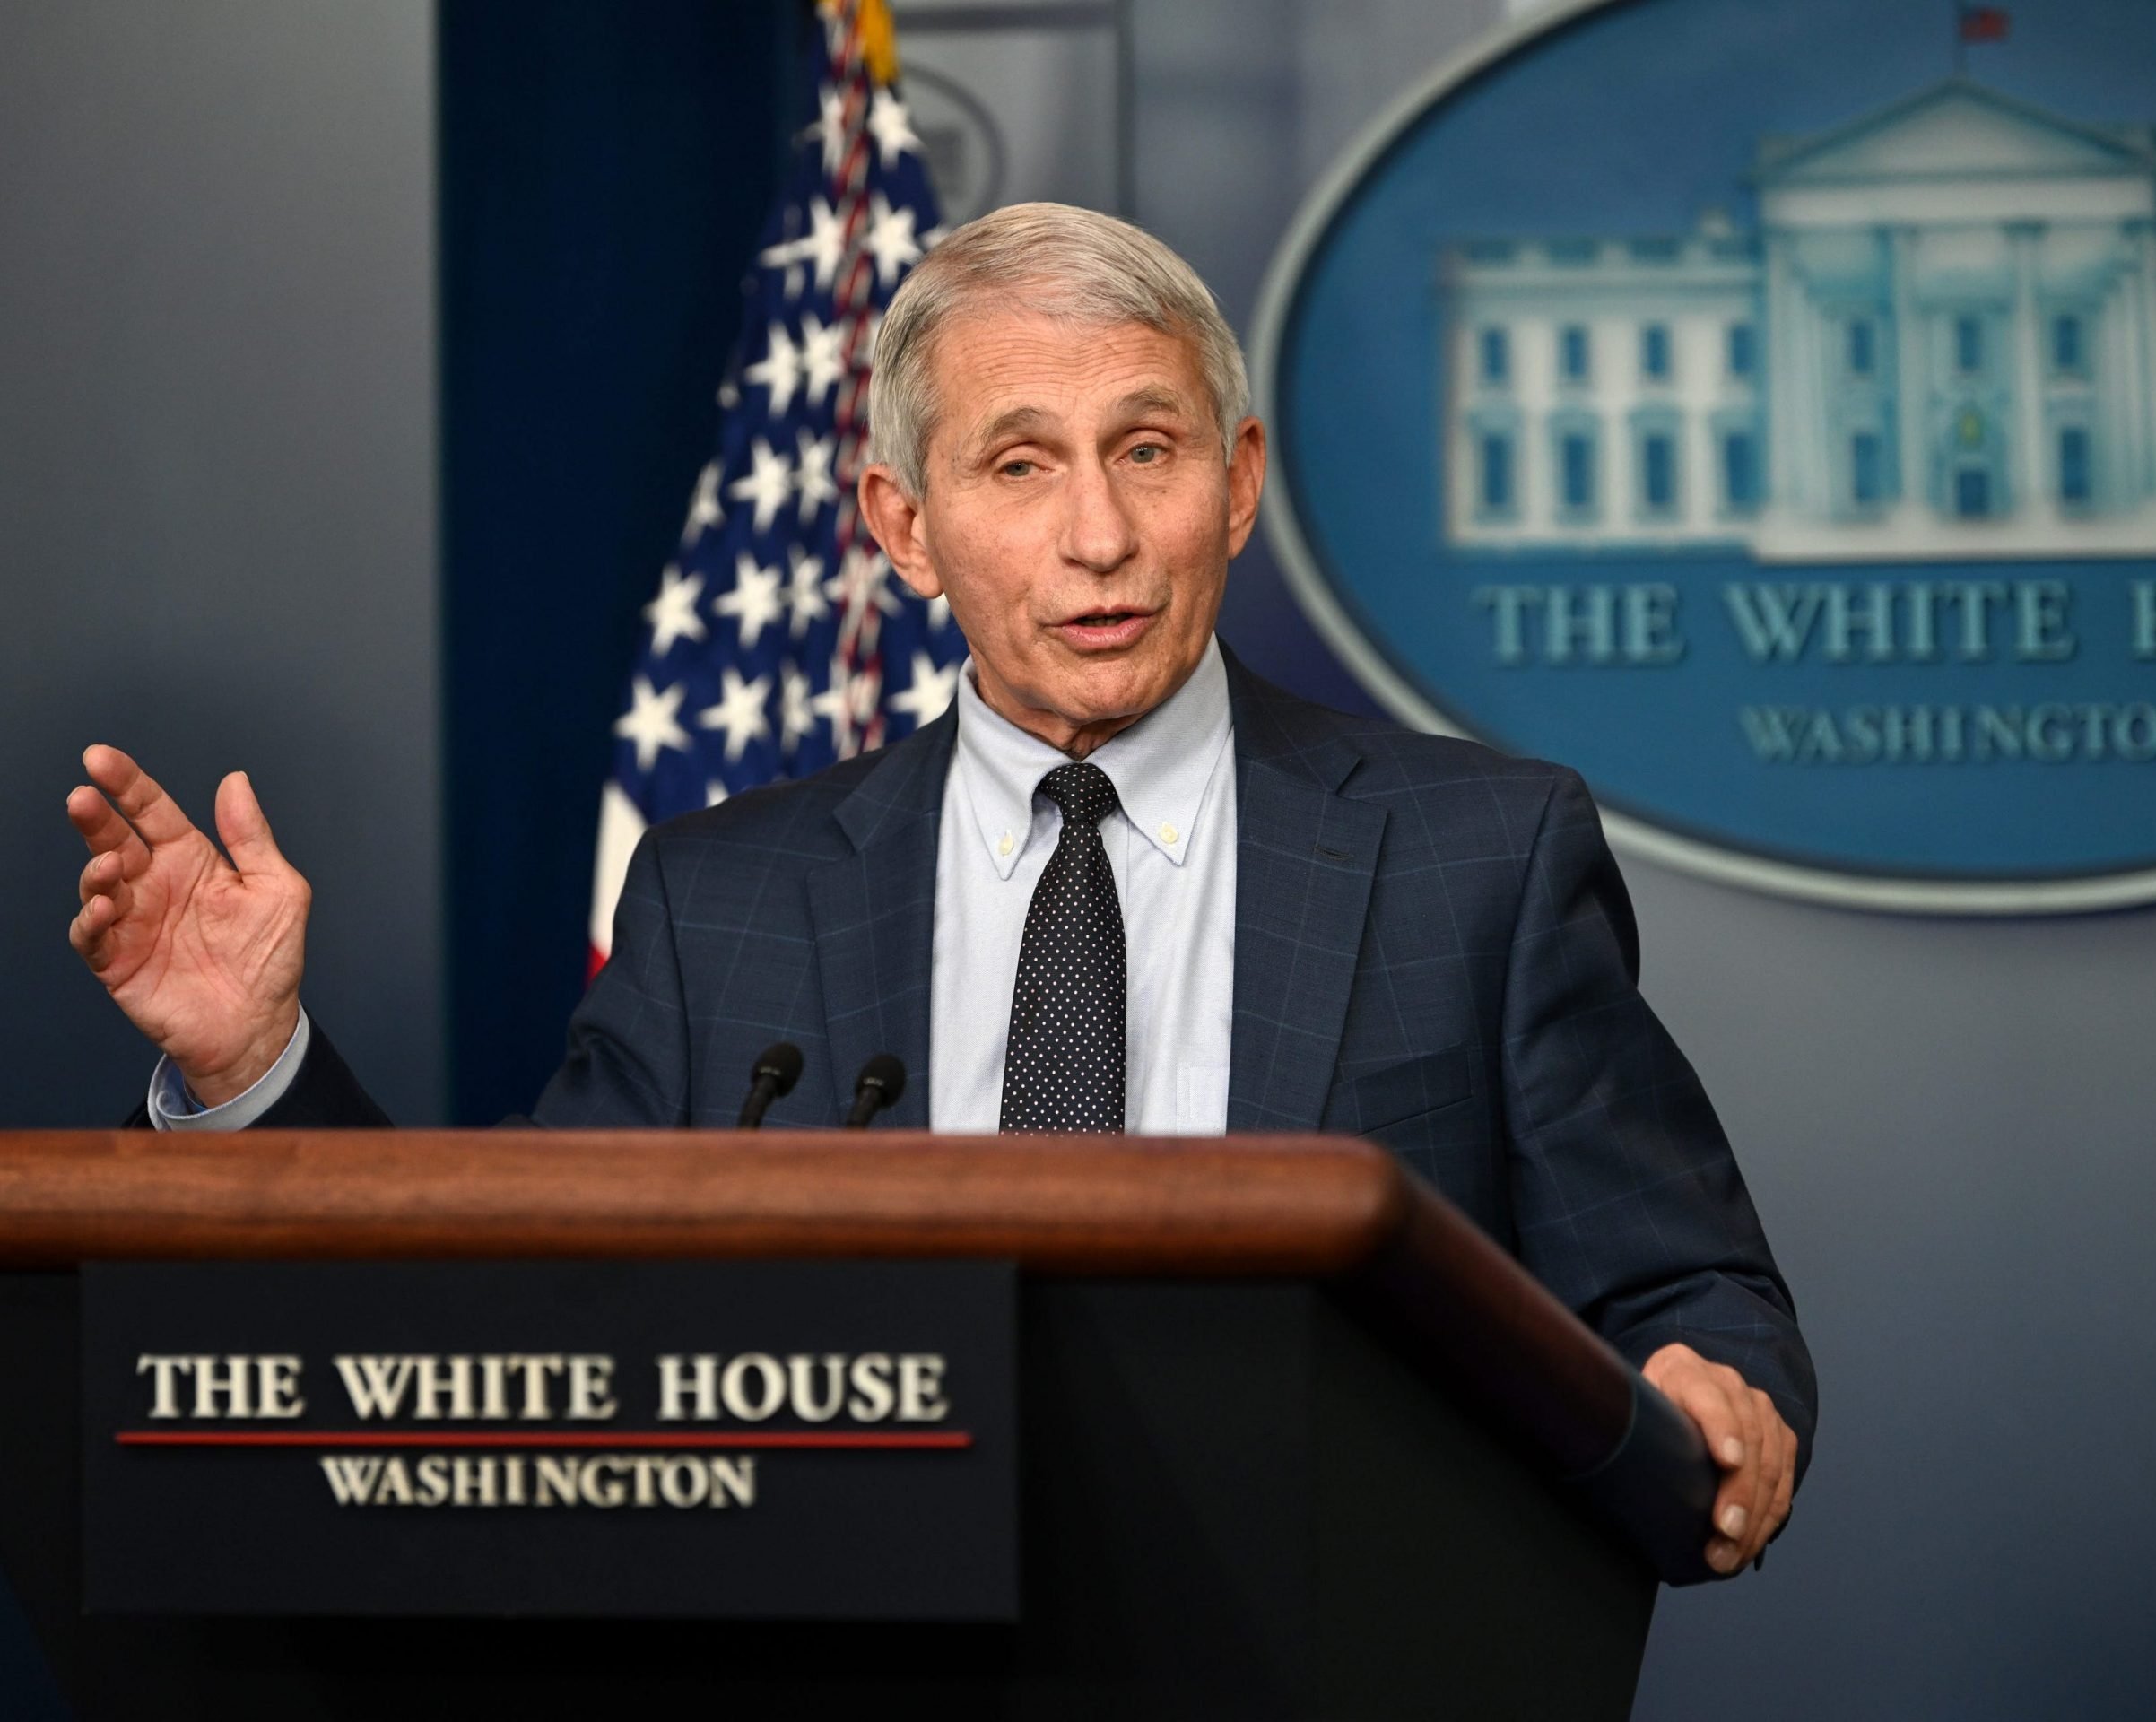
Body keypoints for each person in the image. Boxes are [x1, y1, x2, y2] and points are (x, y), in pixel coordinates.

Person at [65, 202, 1812, 1576]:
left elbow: (1683, 1295)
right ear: (903, 528)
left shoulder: (1471, 855)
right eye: (1019, 465)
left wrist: (1705, 1395)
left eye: (1147, 450)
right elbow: (519, 1348)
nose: (1100, 537)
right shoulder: (720, 899)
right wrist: (252, 1072)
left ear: (1239, 483)